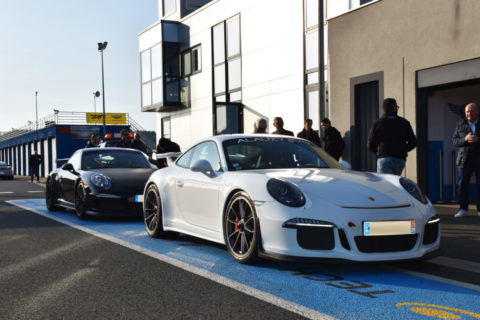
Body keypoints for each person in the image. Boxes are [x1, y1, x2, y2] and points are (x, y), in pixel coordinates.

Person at [367, 98, 417, 175]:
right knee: (395, 182)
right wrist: (403, 149)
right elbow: (413, 142)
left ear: (384, 109)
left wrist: (377, 152)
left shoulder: (378, 123)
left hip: (384, 157)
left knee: (385, 184)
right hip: (399, 158)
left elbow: (370, 143)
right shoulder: (404, 122)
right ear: (394, 108)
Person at [452, 102, 480, 218]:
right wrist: (465, 138)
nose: (469, 113)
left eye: (472, 111)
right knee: (462, 184)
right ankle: (463, 209)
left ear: (478, 112)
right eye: (467, 111)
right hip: (464, 159)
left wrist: (478, 139)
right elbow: (454, 141)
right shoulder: (460, 125)